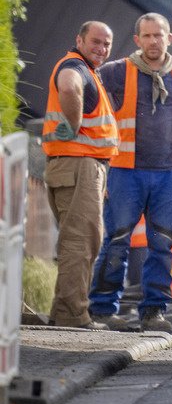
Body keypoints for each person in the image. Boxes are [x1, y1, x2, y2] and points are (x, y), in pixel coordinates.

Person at [88, 14, 172, 333]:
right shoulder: (117, 71)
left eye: (158, 36)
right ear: (137, 40)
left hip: (169, 173)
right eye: (146, 36)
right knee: (116, 241)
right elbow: (87, 92)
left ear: (169, 38)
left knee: (162, 245)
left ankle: (153, 312)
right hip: (125, 172)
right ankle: (103, 310)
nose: (153, 42)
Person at [41, 21, 119, 329]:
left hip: (83, 166)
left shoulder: (88, 70)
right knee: (80, 241)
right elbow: (70, 85)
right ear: (79, 40)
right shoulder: (75, 66)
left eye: (106, 44)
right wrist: (72, 125)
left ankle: (65, 310)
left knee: (84, 239)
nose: (101, 49)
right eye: (95, 42)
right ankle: (72, 316)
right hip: (78, 164)